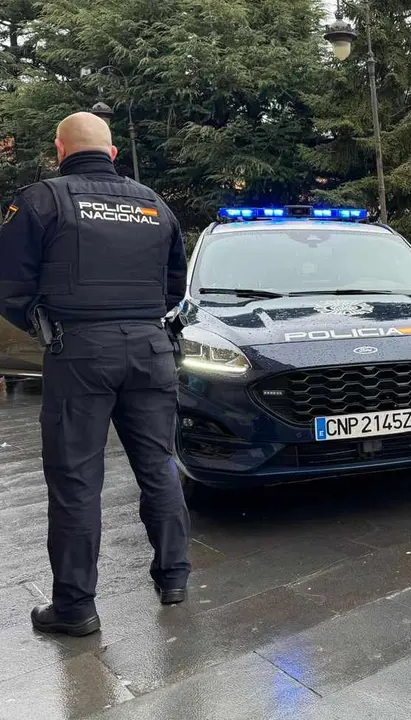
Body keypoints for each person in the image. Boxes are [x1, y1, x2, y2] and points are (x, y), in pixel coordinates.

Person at [0, 112, 191, 637]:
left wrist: (44, 322)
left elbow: (9, 284)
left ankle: (75, 607)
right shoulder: (153, 203)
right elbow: (174, 284)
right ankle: (174, 577)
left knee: (76, 480)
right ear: (111, 153)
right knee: (158, 465)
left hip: (80, 350)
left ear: (60, 150)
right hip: (150, 347)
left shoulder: (41, 200)